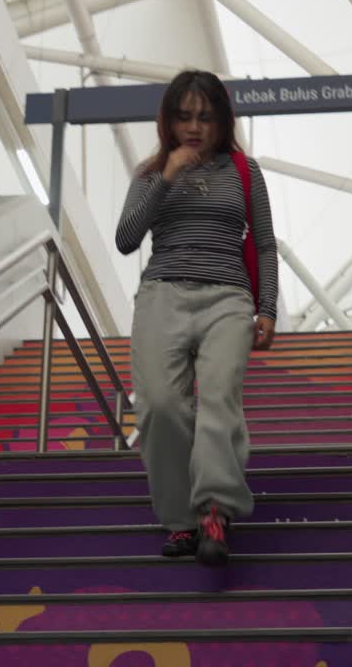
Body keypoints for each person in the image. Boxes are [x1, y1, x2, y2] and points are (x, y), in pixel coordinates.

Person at [115, 70, 279, 567]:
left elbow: (266, 245)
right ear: (168, 120)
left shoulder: (243, 171)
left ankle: (215, 508)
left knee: (219, 398)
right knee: (160, 406)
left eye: (205, 117)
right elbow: (127, 239)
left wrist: (266, 307)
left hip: (228, 297)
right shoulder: (149, 174)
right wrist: (168, 176)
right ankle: (180, 519)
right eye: (184, 116)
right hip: (163, 293)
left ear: (222, 121)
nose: (194, 127)